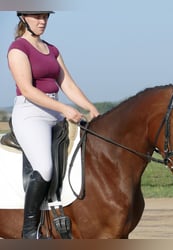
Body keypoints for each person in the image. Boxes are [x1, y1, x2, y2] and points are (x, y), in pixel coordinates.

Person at [7, 11, 100, 239]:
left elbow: (68, 85)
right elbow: (28, 90)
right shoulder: (18, 49)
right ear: (23, 19)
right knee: (45, 167)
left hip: (55, 110)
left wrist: (91, 108)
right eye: (37, 17)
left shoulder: (52, 50)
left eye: (45, 17)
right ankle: (29, 231)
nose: (42, 22)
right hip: (31, 114)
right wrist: (65, 109)